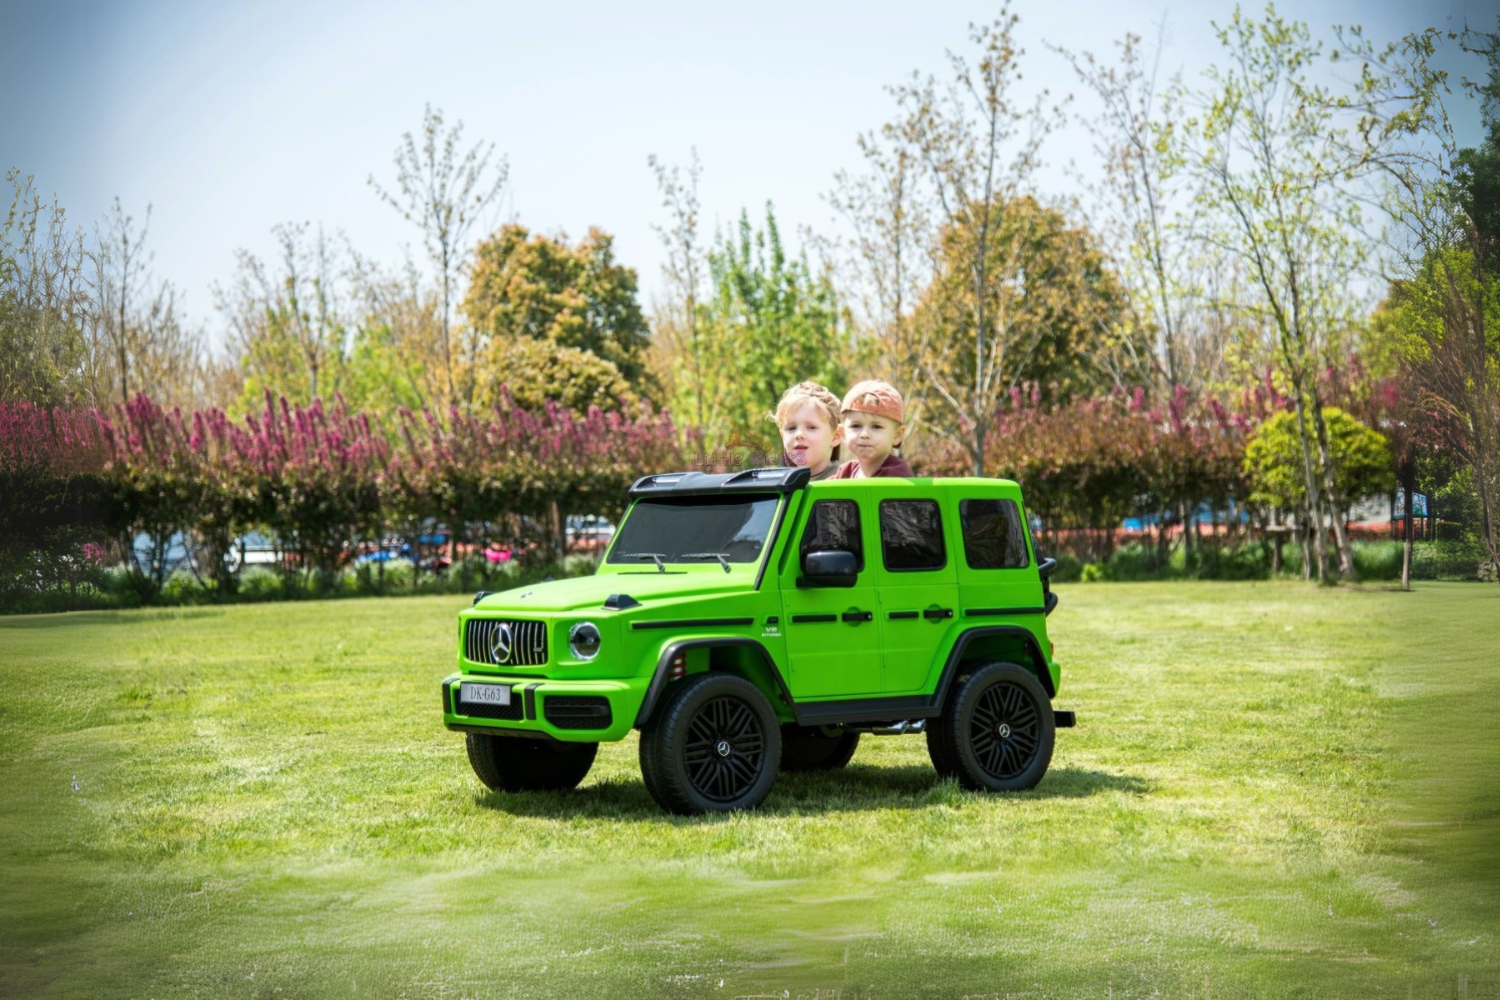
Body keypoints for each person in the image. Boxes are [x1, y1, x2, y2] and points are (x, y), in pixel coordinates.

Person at [832, 379, 914, 479]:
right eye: (856, 426)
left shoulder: (896, 477)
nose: (864, 434)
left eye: (876, 426)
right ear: (843, 433)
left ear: (897, 435)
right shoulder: (845, 472)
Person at [773, 381, 844, 481]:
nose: (799, 434)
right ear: (782, 436)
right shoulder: (780, 486)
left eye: (811, 427)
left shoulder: (846, 483)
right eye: (791, 428)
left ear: (836, 435)